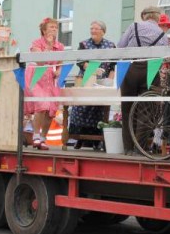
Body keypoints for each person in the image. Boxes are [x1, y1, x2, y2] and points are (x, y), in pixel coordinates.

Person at [118, 7, 168, 155]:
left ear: (144, 16)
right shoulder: (162, 34)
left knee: (127, 108)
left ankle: (128, 148)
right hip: (151, 70)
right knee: (146, 110)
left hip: (130, 68)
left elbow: (120, 45)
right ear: (157, 18)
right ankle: (140, 148)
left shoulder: (134, 26)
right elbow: (164, 54)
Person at [69, 21, 116, 147]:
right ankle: (79, 138)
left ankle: (97, 140)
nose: (93, 31)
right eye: (91, 28)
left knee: (99, 109)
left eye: (96, 28)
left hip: (102, 83)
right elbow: (80, 61)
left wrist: (110, 83)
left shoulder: (111, 45)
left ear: (103, 31)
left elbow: (113, 66)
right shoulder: (84, 44)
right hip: (86, 81)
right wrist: (91, 69)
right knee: (82, 108)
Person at [24, 18, 64, 150]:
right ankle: (35, 135)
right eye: (51, 27)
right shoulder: (37, 43)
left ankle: (43, 138)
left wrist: (58, 70)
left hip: (50, 78)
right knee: (42, 105)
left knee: (51, 109)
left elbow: (60, 63)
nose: (54, 29)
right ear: (44, 30)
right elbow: (40, 60)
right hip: (37, 76)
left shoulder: (60, 46)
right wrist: (48, 45)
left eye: (56, 27)